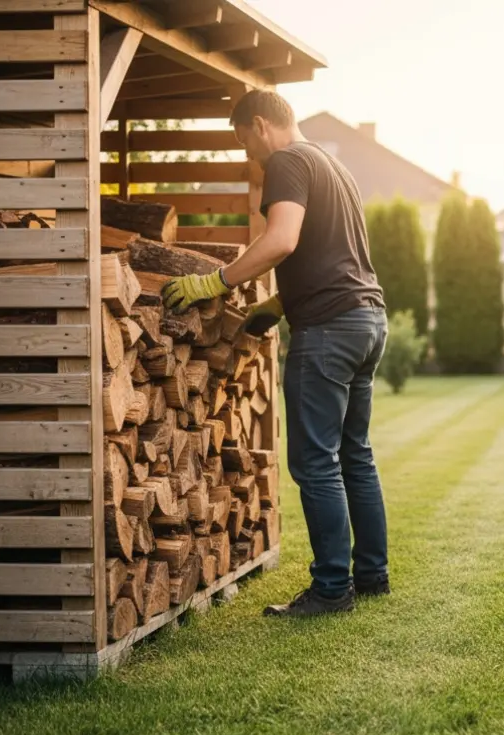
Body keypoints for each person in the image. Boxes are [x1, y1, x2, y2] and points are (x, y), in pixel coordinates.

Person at [161, 90, 389, 617]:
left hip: (330, 331)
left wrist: (211, 283)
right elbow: (337, 255)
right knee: (355, 454)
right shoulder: (336, 167)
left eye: (245, 144)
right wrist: (281, 303)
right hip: (367, 320)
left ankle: (333, 589)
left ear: (261, 126)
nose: (251, 158)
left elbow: (282, 239)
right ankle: (371, 575)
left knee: (316, 463)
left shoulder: (287, 160)